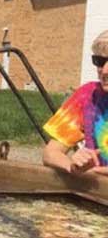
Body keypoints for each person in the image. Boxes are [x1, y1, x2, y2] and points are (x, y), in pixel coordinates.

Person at [42, 29, 108, 176]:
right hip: (94, 192)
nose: (104, 71)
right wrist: (71, 164)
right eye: (100, 61)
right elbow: (50, 152)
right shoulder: (87, 95)